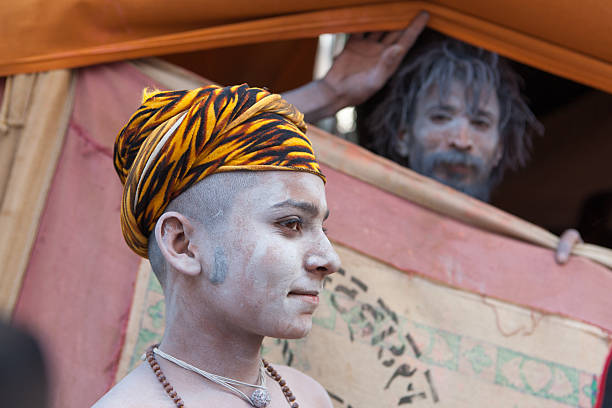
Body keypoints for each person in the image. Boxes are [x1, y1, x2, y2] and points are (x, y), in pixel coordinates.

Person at [93, 85, 340, 407]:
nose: (329, 259)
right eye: (290, 224)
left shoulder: (308, 397)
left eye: (323, 228)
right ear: (182, 244)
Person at [283, 12, 582, 263]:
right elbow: (235, 134)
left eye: (480, 122)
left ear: (500, 149)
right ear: (403, 136)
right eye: (441, 117)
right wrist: (328, 92)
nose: (461, 139)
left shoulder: (522, 255)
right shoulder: (332, 220)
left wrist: (577, 267)